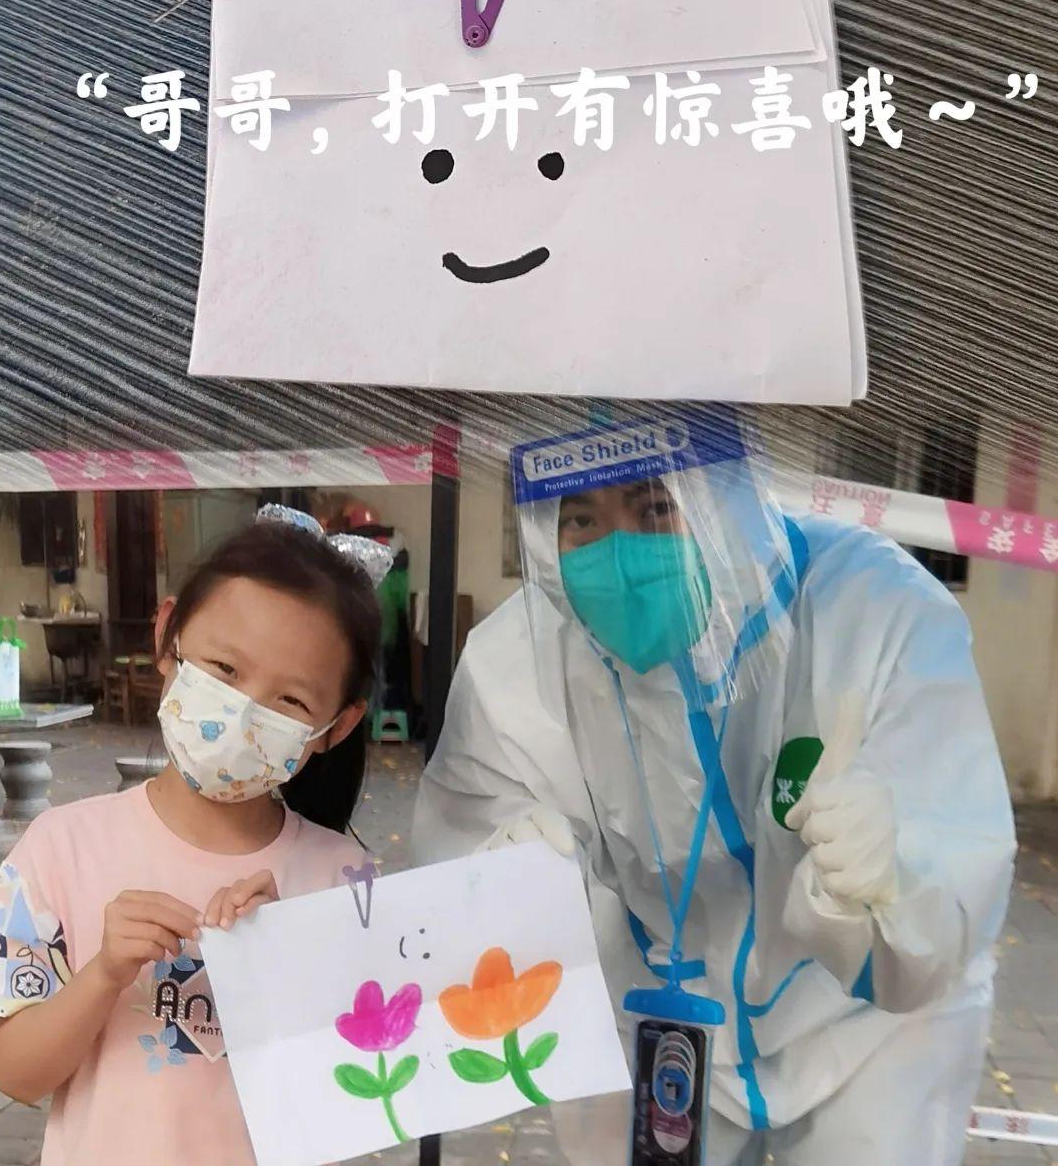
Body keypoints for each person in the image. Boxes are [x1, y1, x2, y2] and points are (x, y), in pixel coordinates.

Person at [413, 410, 1016, 1165]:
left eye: (654, 507)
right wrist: (507, 883)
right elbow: (462, 850)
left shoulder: (875, 609)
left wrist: (889, 883)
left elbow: (950, 876)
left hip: (866, 1027)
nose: (620, 552)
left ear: (725, 498)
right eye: (581, 519)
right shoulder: (516, 662)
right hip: (647, 1003)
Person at [0, 506, 390, 1165]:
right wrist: (104, 974)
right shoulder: (59, 850)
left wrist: (284, 965)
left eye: (289, 701)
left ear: (336, 726)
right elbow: (17, 1075)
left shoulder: (349, 883)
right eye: (225, 669)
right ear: (168, 636)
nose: (245, 713)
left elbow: (367, 1097)